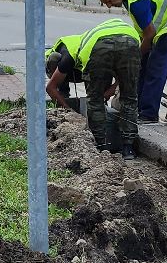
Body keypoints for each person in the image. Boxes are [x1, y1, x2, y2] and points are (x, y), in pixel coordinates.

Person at [45, 16, 143, 159]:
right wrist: (113, 88)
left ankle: (100, 145)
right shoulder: (81, 42)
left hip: (99, 46)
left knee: (95, 101)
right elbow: (122, 77)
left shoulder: (68, 55)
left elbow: (51, 87)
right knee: (129, 97)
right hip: (130, 40)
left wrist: (69, 111)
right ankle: (128, 149)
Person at [96, 0, 167, 123]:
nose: (108, 6)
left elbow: (150, 34)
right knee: (141, 67)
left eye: (108, 1)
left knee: (155, 67)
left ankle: (149, 114)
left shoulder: (137, 2)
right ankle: (137, 108)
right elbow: (145, 28)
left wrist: (135, 57)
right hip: (157, 27)